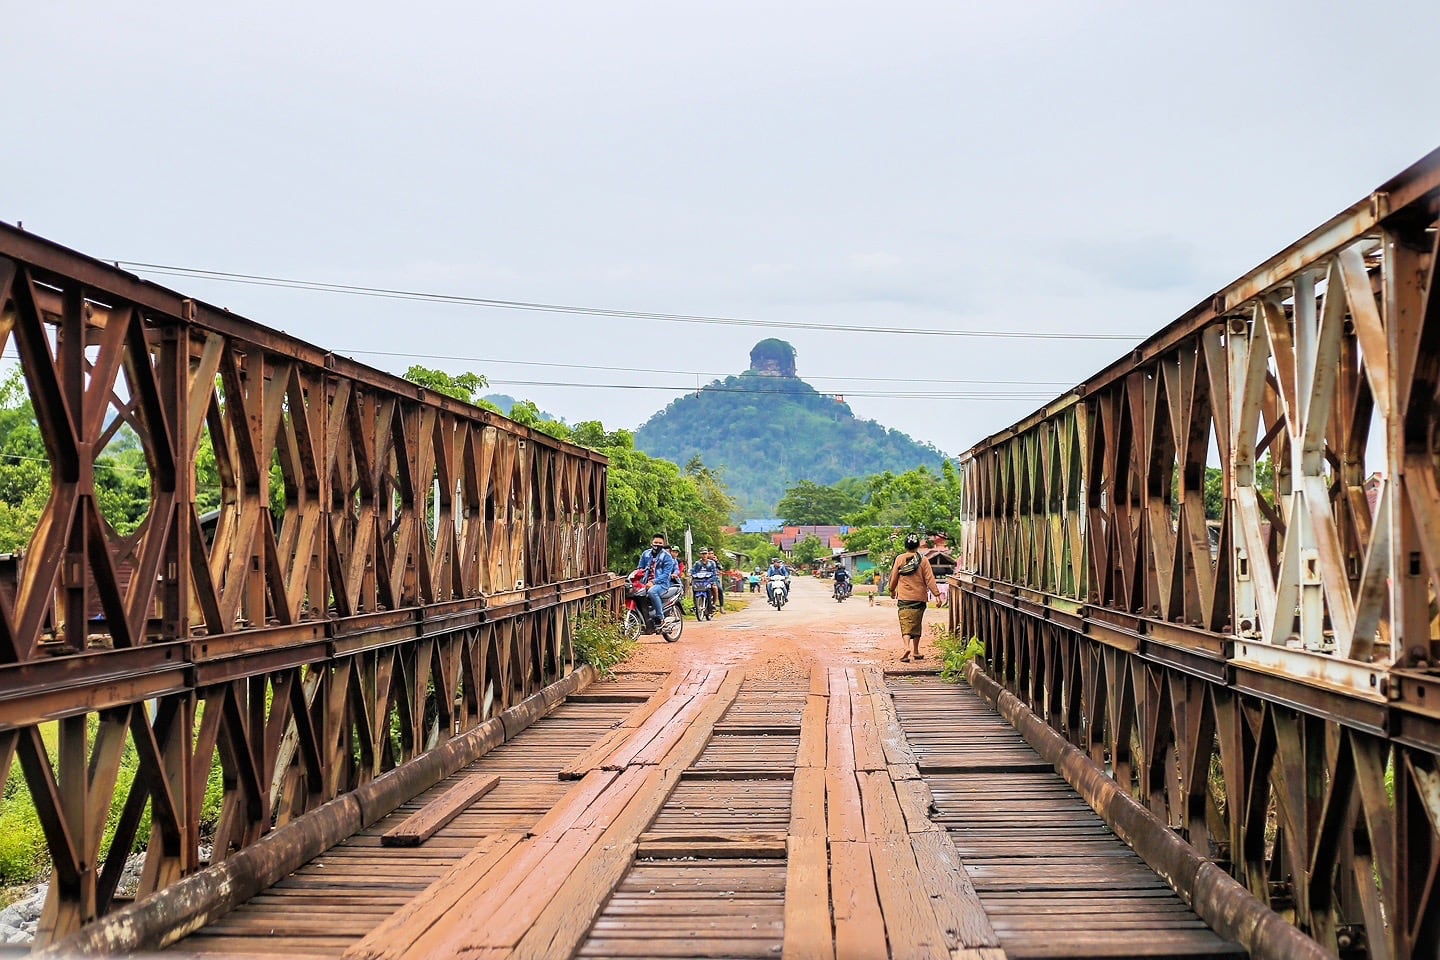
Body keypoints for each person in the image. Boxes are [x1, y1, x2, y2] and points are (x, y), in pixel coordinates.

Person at [888, 534, 940, 662]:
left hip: (904, 597)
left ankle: (906, 647)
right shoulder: (923, 560)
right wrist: (937, 595)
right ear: (917, 546)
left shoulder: (899, 559)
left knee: (905, 623)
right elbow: (929, 579)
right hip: (919, 597)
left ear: (905, 546)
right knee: (916, 624)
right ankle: (916, 651)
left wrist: (891, 590)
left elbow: (894, 577)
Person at [636, 534, 680, 626]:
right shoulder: (645, 554)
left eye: (660, 543)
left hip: (662, 584)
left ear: (663, 544)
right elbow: (640, 568)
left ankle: (660, 618)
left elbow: (666, 575)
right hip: (644, 583)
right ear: (651, 543)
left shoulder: (667, 557)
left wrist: (653, 582)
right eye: (655, 542)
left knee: (652, 592)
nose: (657, 544)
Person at [691, 548, 722, 615]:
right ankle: (696, 605)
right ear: (700, 555)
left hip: (709, 580)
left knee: (714, 587)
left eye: (705, 553)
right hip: (699, 580)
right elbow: (693, 571)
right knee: (694, 588)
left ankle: (714, 604)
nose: (704, 555)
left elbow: (714, 572)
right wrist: (691, 574)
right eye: (702, 554)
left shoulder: (712, 563)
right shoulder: (697, 563)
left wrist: (713, 578)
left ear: (707, 554)